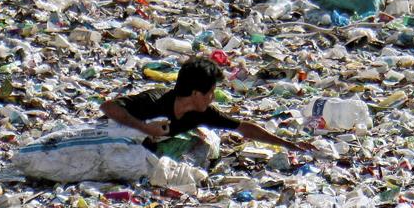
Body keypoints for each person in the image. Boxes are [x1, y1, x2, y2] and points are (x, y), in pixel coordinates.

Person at [100, 57, 316, 154]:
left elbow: (244, 128)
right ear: (195, 93)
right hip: (109, 143)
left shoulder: (200, 113)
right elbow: (109, 107)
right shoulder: (155, 101)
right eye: (210, 92)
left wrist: (289, 144)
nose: (212, 98)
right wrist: (145, 128)